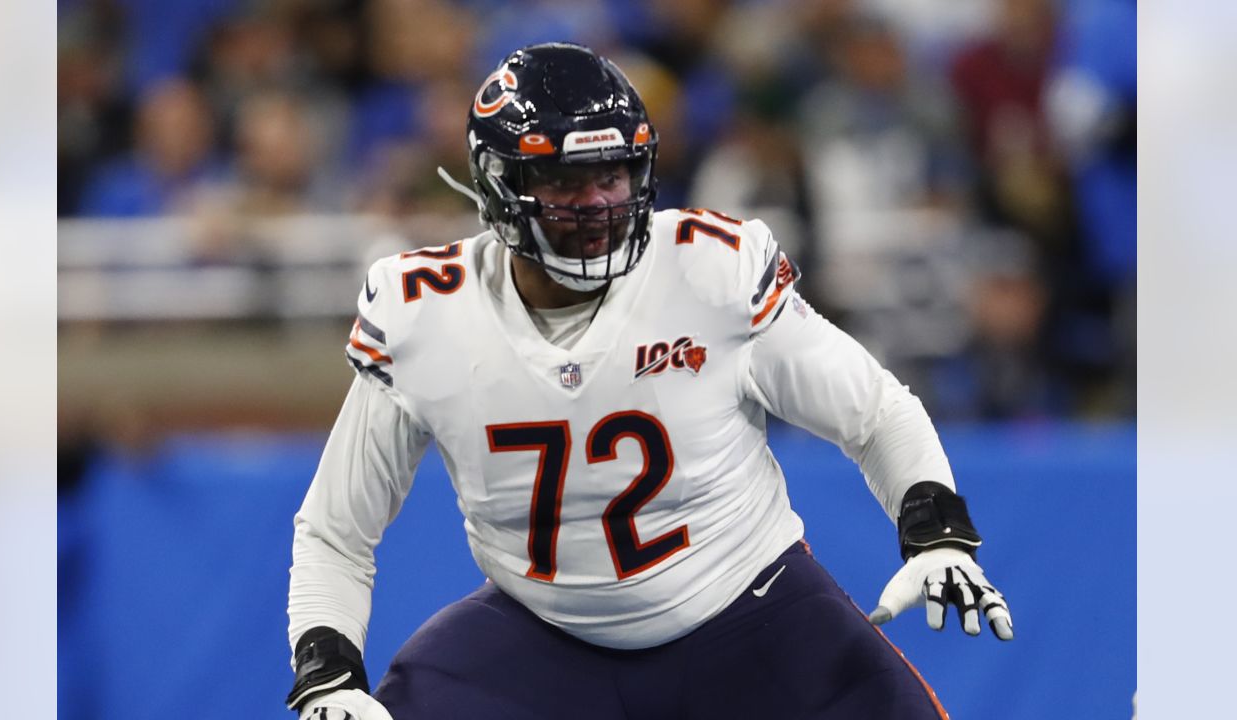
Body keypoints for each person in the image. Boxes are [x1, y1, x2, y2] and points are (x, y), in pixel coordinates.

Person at [286, 43, 1012, 720]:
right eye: (567, 181)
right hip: (543, 634)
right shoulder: (426, 314)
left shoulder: (706, 272)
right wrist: (327, 673)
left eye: (613, 175)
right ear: (501, 183)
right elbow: (336, 531)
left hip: (746, 608)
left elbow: (874, 412)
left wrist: (935, 532)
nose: (599, 204)